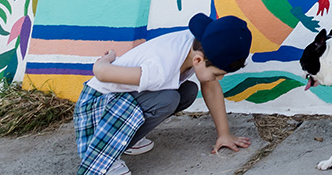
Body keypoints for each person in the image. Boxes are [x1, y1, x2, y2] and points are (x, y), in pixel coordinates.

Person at [73, 13, 252, 175]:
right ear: (198, 60)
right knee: (168, 99)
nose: (218, 79)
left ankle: (128, 138)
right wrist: (106, 59)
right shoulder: (160, 69)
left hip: (120, 104)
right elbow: (101, 73)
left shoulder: (199, 45)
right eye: (217, 74)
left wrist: (224, 134)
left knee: (188, 91)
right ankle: (110, 153)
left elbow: (210, 87)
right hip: (96, 112)